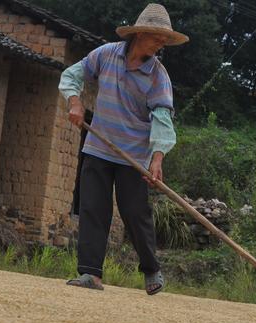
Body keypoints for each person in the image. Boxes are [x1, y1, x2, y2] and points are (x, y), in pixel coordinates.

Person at [58, 3, 188, 295]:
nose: (161, 43)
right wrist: (75, 102)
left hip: (133, 155)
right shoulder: (106, 55)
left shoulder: (157, 75)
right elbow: (72, 76)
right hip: (98, 147)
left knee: (135, 211)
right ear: (140, 33)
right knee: (93, 208)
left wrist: (157, 158)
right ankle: (90, 274)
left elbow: (162, 119)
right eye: (157, 37)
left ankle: (151, 270)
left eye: (164, 39)